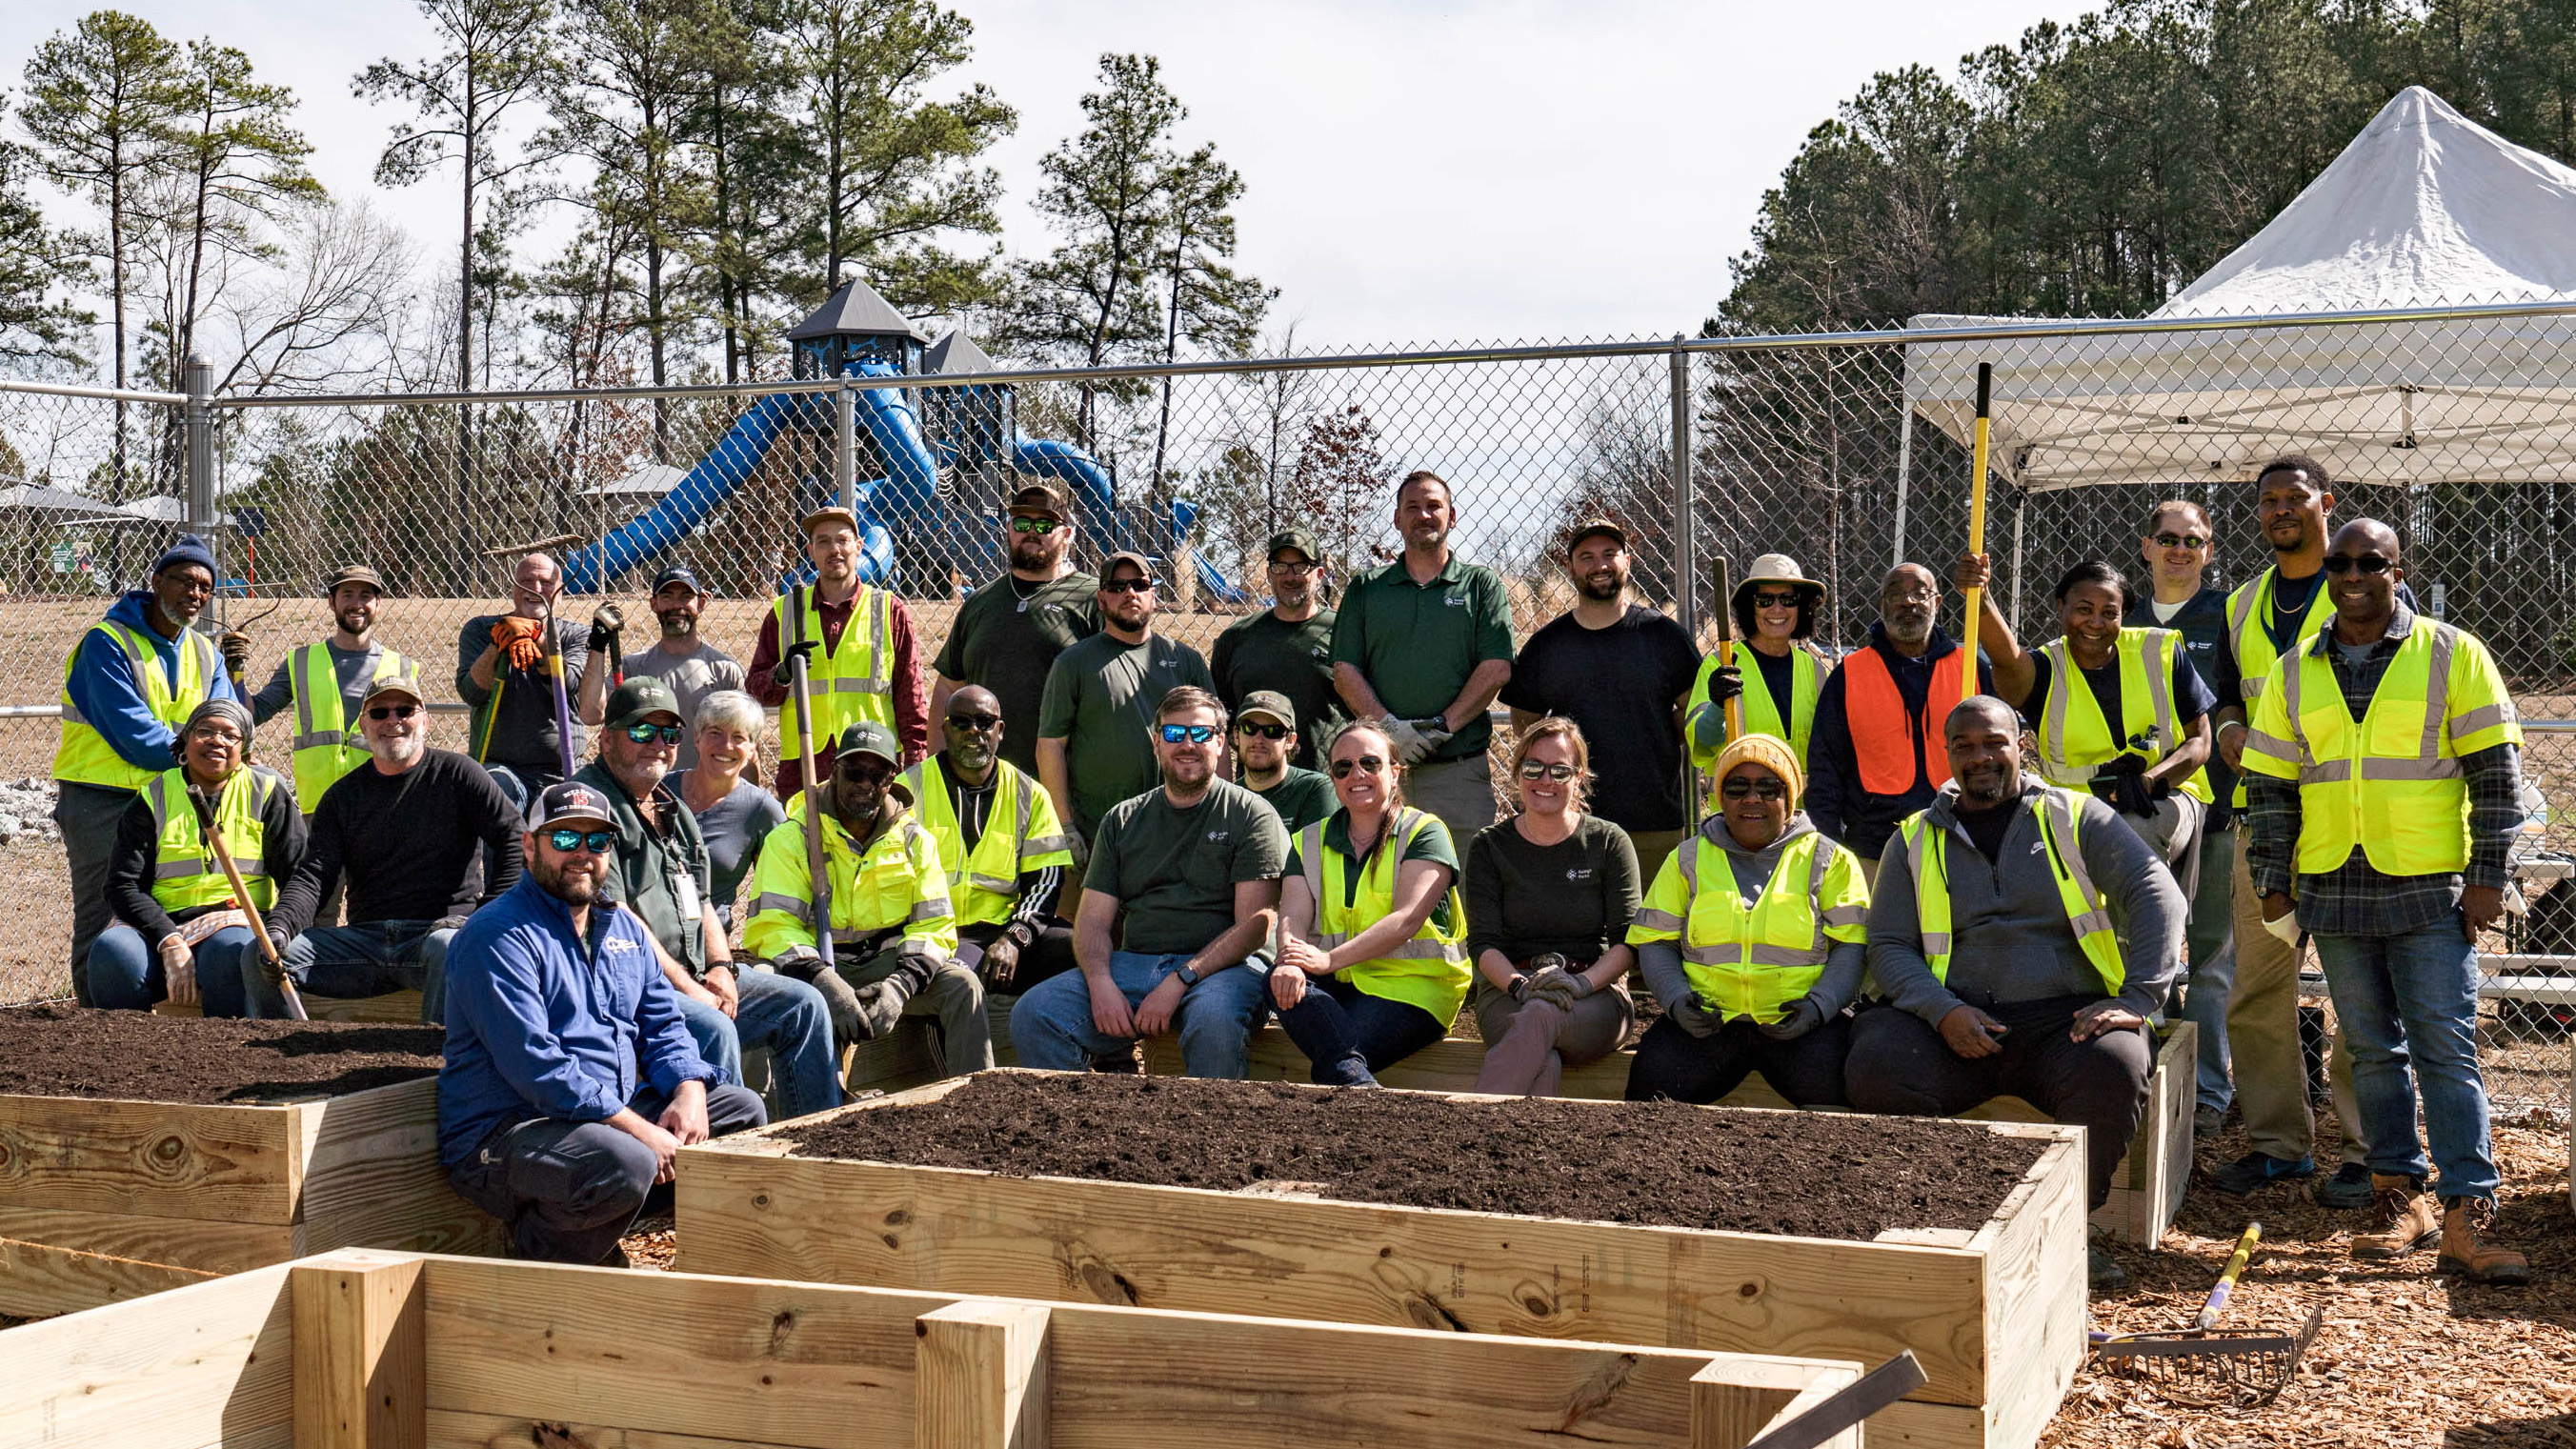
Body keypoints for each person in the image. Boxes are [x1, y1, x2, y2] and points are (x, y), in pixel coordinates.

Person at [2240, 519, 2528, 1284]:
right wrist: (2275, 878)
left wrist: (2488, 875)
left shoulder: (2451, 653)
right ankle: (2399, 1195)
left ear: (2400, 569)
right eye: (2342, 562)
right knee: (2370, 1048)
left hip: (2430, 885)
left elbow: (2496, 778)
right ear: (2327, 571)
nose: (2355, 572)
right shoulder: (2296, 668)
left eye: (2373, 561)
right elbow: (2268, 784)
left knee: (2445, 1047)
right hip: (2334, 885)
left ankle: (2471, 1207)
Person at [1849, 696, 2185, 1292]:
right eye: (1964, 746)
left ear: (2021, 745)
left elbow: (2156, 892)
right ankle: (1946, 1218)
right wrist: (1943, 1010)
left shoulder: (2076, 817)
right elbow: (1891, 946)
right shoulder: (1913, 839)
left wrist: (2138, 999)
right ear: (1947, 754)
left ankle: (2065, 1230)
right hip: (1956, 1025)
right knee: (1874, 1059)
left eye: (1993, 743)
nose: (1980, 757)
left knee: (2119, 1063)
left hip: (2065, 1024)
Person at [438, 780, 768, 1266]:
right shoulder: (497, 936)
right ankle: (541, 1257)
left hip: (599, 1119)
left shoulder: (621, 927)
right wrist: (639, 1130)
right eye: (566, 839)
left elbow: (664, 1025)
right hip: (505, 1137)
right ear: (530, 846)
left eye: (597, 841)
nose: (583, 854)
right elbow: (539, 1070)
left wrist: (690, 1091)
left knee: (742, 1115)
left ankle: (620, 1235)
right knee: (625, 1162)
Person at [2204, 456, 2382, 1205]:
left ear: (2326, 504)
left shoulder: (2357, 591)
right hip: (2264, 825)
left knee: (2358, 992)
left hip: (2345, 825)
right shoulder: (2242, 604)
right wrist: (2231, 731)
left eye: (2296, 497)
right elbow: (2222, 699)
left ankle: (2369, 1149)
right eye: (2269, 500)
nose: (2282, 509)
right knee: (2258, 989)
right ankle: (2280, 1145)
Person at [575, 678, 840, 1124]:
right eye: (642, 732)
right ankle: (730, 1168)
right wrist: (692, 989)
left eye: (668, 734)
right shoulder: (594, 808)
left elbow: (697, 897)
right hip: (626, 988)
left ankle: (817, 1144)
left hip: (694, 971)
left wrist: (721, 968)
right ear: (606, 739)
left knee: (804, 1006)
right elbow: (618, 920)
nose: (657, 744)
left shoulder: (669, 808)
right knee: (713, 1026)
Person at [1010, 687, 1288, 1078]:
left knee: (1213, 1020)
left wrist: (1180, 980)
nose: (1187, 745)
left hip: (1226, 971)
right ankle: (1078, 1131)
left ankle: (1215, 1134)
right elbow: (1091, 920)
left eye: (1201, 734)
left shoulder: (1251, 815)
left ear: (1221, 742)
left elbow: (1255, 926)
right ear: (1155, 742)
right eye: (1174, 735)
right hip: (1135, 965)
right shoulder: (1122, 820)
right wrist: (1101, 982)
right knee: (1036, 1013)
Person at [251, 674, 523, 1022]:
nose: (392, 721)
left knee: (448, 949)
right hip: (364, 941)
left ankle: (435, 1065)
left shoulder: (459, 774)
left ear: (424, 720)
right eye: (379, 713)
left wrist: (488, 915)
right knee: (259, 954)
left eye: (404, 710)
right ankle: (278, 1060)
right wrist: (280, 928)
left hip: (435, 934)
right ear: (363, 725)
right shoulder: (342, 796)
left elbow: (513, 837)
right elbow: (314, 876)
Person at [1623, 733, 1864, 1108]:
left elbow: (1852, 945)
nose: (1753, 799)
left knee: (1842, 1106)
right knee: (1645, 1101)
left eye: (1769, 788)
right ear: (1721, 797)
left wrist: (1819, 1007)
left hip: (1801, 1025)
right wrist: (1675, 1000)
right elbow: (1655, 941)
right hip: (1706, 1023)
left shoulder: (1829, 859)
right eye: (1738, 787)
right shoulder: (1687, 859)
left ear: (1791, 797)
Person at [51, 533, 238, 1004]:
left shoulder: (205, 652)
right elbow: (135, 736)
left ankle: (151, 1032)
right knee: (102, 917)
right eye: (185, 581)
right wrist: (205, 755)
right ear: (157, 581)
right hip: (104, 800)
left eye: (205, 586)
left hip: (175, 800)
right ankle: (93, 1023)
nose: (195, 594)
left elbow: (229, 720)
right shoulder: (106, 643)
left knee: (176, 908)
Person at [744, 720, 984, 1074]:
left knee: (962, 986)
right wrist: (824, 983)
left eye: (878, 777)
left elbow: (935, 926)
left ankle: (976, 1101)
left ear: (892, 782)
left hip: (888, 968)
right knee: (759, 986)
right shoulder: (792, 838)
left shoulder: (915, 841)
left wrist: (899, 988)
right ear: (835, 771)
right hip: (817, 967)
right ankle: (764, 1117)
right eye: (855, 773)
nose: (865, 786)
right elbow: (774, 927)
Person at [1967, 557, 2214, 871]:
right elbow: (2006, 659)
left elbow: (2201, 740)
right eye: (2084, 609)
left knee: (2130, 835)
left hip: (2167, 796)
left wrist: (2149, 781)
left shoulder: (2159, 651)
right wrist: (1982, 597)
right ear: (2061, 608)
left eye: (2109, 613)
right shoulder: (2045, 669)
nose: (2096, 622)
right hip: (2072, 807)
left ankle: (2144, 920)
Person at [1273, 719, 1471, 1086]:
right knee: (1273, 981)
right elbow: (1292, 917)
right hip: (1342, 983)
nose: (1356, 774)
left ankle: (1354, 1082)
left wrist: (1329, 959)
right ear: (1332, 777)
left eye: (1370, 763)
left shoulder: (1425, 832)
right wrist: (1290, 962)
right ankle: (1359, 1086)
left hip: (1414, 989)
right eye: (1343, 767)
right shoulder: (1307, 841)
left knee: (1336, 1055)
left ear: (1395, 772)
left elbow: (1407, 919)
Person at [1500, 518, 1700, 878]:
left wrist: (1657, 735)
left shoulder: (1664, 637)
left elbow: (1693, 709)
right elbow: (1523, 721)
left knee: (1654, 929)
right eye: (1587, 557)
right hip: (1570, 822)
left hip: (1653, 819)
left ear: (1628, 560)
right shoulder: (1548, 646)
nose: (1600, 565)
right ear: (1570, 566)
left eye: (1610, 554)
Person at [2130, 503, 2240, 1137]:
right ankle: (2149, 1077)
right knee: (2147, 949)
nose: (2179, 549)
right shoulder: (2122, 617)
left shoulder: (2227, 614)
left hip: (2218, 812)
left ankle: (2207, 1095)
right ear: (2146, 546)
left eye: (2191, 540)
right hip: (2143, 815)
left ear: (2209, 548)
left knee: (2211, 957)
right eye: (2167, 539)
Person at [1330, 471, 1517, 837]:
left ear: (1453, 515)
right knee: (1380, 884)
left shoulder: (1481, 585)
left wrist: (1442, 727)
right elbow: (1344, 672)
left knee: (1462, 887)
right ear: (1397, 519)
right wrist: (1390, 731)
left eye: (1434, 506)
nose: (1424, 515)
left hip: (1458, 770)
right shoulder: (1367, 588)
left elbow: (1496, 668)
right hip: (1379, 772)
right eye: (1412, 507)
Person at [1467, 716, 1641, 1097]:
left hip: (1595, 994)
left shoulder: (1609, 842)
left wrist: (1580, 984)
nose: (1545, 780)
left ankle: (1473, 1119)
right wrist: (1520, 986)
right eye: (1533, 767)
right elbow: (1483, 944)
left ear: (1579, 777)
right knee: (1543, 1056)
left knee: (1542, 1016)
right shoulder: (1489, 846)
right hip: (1509, 992)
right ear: (1517, 773)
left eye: (1559, 771)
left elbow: (1628, 943)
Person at [90, 698, 298, 1016]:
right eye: (205, 731)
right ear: (185, 741)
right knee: (113, 953)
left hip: (235, 922)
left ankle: (225, 1058)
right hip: (159, 926)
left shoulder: (266, 793)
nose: (217, 740)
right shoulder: (153, 797)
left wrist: (278, 930)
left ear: (244, 751)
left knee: (232, 953)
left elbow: (298, 877)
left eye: (231, 736)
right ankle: (127, 1058)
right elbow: (122, 885)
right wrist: (168, 939)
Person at [1805, 563, 1993, 880]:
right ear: (1881, 606)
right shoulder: (1851, 674)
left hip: (1964, 842)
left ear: (1937, 603)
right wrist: (1830, 851)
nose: (1908, 602)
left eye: (1920, 593)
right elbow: (1825, 770)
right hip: (1875, 850)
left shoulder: (1971, 667)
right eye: (1896, 594)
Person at [898, 685, 1080, 996]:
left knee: (1078, 950)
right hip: (937, 933)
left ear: (1000, 730)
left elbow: (1046, 881)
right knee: (960, 978)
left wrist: (1014, 937)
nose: (973, 731)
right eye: (961, 722)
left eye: (984, 722)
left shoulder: (1030, 795)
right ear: (944, 729)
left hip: (1005, 930)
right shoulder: (908, 790)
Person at [746, 507, 930, 797]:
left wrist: (916, 762)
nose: (835, 550)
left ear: (859, 547)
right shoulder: (785, 612)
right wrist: (782, 674)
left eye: (843, 540)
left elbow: (912, 697)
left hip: (872, 761)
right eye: (823, 541)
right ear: (810, 551)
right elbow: (756, 691)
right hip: (805, 766)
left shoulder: (889, 611)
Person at [1036, 552, 1216, 847]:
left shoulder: (1185, 661)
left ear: (1154, 596)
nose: (1129, 593)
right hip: (1098, 833)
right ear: (1101, 599)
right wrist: (1064, 825)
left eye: (1139, 585)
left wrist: (1217, 816)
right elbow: (1051, 745)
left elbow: (1213, 742)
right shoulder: (1073, 664)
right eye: (1117, 587)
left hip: (1180, 831)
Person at [930, 483, 1101, 779]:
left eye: (1045, 524)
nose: (1031, 531)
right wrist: (937, 771)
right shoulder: (980, 602)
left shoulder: (1093, 598)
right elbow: (947, 687)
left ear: (1067, 535)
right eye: (1022, 523)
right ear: (1009, 529)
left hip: (1066, 785)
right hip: (984, 782)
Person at [244, 564, 416, 818]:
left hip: (382, 803)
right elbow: (253, 713)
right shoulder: (301, 662)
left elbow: (415, 739)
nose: (356, 604)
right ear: (331, 602)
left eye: (365, 596)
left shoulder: (401, 667)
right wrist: (230, 670)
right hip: (319, 807)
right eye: (347, 595)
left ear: (378, 603)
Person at [457, 552, 608, 807]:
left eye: (546, 583)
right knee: (494, 800)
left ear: (560, 593)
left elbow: (567, 684)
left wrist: (537, 636)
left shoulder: (577, 635)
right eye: (526, 581)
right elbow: (471, 693)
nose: (536, 589)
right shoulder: (481, 630)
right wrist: (497, 646)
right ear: (514, 588)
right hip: (499, 766)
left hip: (561, 768)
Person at [1687, 553, 1831, 795]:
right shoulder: (1719, 665)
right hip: (1738, 819)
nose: (1777, 609)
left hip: (1801, 820)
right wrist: (1716, 707)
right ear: (1750, 608)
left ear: (1802, 606)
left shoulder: (1815, 671)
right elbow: (1704, 742)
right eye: (1765, 599)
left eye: (1788, 599)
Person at [1211, 530, 1345, 771]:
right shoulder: (1236, 637)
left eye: (1300, 566)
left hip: (1329, 784)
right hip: (1256, 790)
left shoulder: (1344, 631)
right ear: (1269, 574)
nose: (1290, 576)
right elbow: (1220, 715)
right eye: (1280, 567)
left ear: (1319, 574)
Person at [670, 690, 788, 927]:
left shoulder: (763, 811)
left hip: (709, 940)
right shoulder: (661, 791)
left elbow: (781, 891)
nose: (726, 745)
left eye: (739, 737)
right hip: (646, 932)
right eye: (715, 733)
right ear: (697, 738)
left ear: (753, 747)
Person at [620, 564, 747, 774]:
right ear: (654, 604)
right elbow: (592, 715)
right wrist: (598, 646)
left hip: (709, 792)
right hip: (649, 788)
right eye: (667, 597)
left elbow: (744, 743)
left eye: (686, 597)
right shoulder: (633, 667)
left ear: (702, 603)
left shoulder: (725, 670)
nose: (676, 606)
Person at [1233, 690, 1337, 835]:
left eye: (1272, 731)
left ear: (1290, 741)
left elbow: (1314, 855)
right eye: (1249, 728)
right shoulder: (1228, 799)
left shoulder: (1314, 790)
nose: (1258, 739)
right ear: (1236, 735)